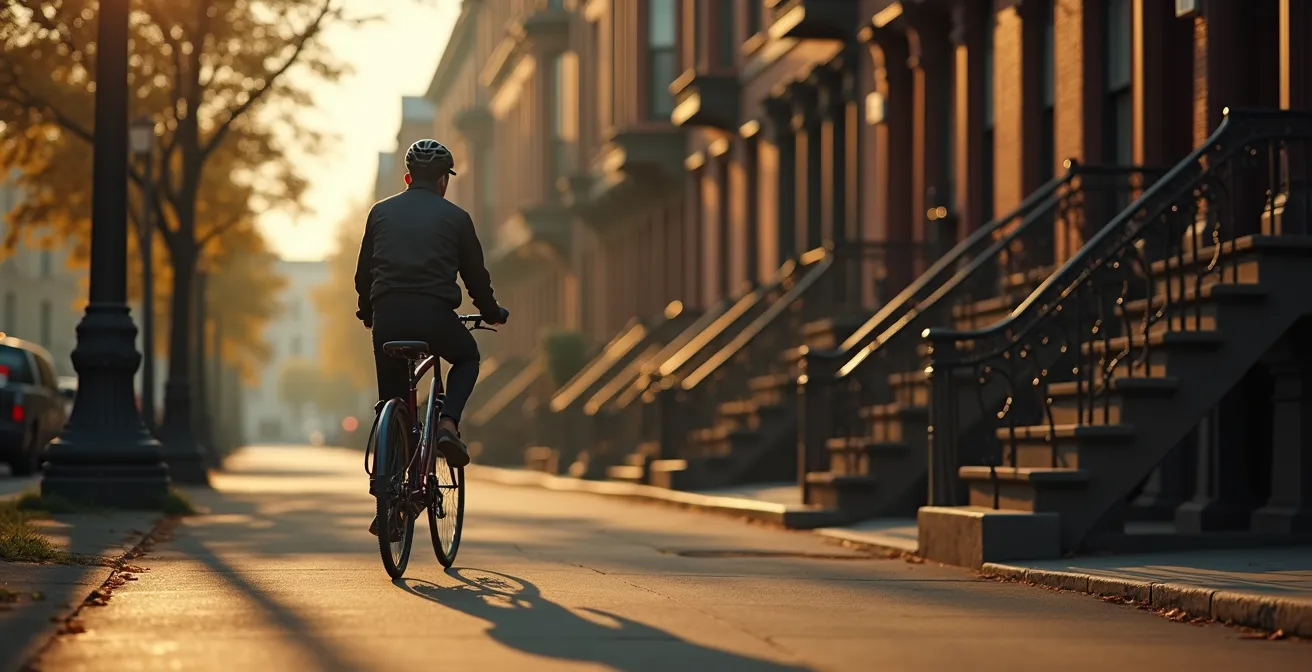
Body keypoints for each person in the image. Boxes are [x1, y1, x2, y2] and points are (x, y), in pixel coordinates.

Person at [355, 139, 507, 535]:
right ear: (443, 181)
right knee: (468, 357)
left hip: (388, 318)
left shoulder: (380, 212)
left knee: (391, 400)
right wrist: (491, 312)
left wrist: (368, 314)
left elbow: (363, 275)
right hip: (435, 318)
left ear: (407, 178)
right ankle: (447, 426)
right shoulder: (456, 218)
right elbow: (476, 277)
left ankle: (386, 502)